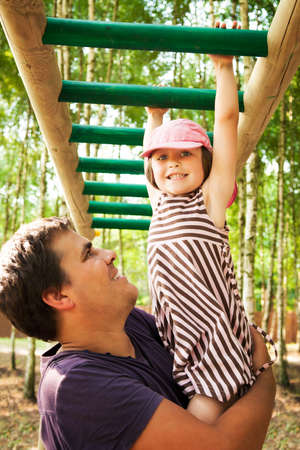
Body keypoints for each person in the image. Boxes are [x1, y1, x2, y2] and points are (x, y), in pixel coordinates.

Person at [0, 216, 276, 449]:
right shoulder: (74, 386)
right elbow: (222, 446)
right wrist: (264, 371)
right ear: (59, 296)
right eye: (88, 254)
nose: (109, 254)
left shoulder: (132, 323)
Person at [141, 24, 276, 424]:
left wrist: (223, 67)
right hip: (177, 334)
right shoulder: (160, 204)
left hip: (212, 329)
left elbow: (227, 121)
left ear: (206, 162)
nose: (173, 163)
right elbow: (149, 156)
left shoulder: (210, 200)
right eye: (162, 158)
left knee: (206, 404)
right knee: (188, 398)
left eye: (184, 153)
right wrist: (155, 118)